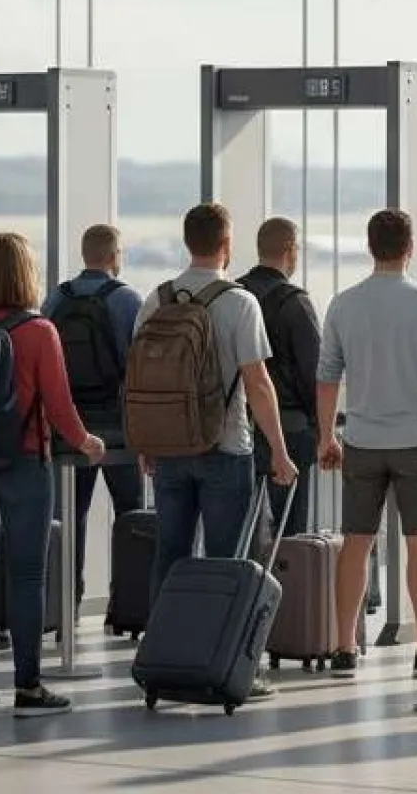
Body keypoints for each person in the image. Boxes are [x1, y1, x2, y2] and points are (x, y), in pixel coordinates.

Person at [136, 203, 298, 700]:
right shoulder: (239, 302)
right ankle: (221, 665)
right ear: (226, 245)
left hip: (169, 450)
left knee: (171, 556)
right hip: (226, 447)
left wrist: (147, 441)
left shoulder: (157, 298)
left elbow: (139, 379)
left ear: (188, 242)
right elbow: (258, 383)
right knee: (227, 563)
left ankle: (161, 661)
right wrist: (280, 450)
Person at [0, 232, 107, 717]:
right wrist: (87, 442)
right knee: (27, 574)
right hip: (24, 463)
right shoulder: (39, 331)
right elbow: (59, 406)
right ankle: (29, 687)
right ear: (26, 276)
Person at [315, 209, 417, 679]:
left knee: (355, 544)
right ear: (410, 247)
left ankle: (344, 647)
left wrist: (327, 436)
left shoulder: (344, 304)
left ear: (370, 246)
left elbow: (327, 377)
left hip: (361, 440)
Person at [41, 224, 145, 612]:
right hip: (119, 428)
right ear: (115, 256)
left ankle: (66, 602)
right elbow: (140, 368)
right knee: (131, 514)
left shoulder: (56, 298)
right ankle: (129, 606)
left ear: (85, 254)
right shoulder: (127, 300)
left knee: (71, 514)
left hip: (70, 427)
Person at [237, 217, 321, 543]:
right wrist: (321, 429)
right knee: (290, 532)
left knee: (242, 529)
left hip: (238, 427)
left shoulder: (232, 294)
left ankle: (246, 575)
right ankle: (286, 576)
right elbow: (313, 374)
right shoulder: (295, 302)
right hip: (289, 428)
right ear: (289, 250)